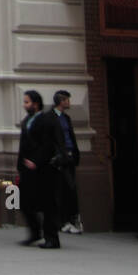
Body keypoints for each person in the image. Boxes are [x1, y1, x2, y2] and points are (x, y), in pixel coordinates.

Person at [17, 89, 64, 249]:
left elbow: (47, 145)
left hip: (44, 169)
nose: (25, 105)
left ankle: (52, 238)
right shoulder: (27, 120)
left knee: (47, 204)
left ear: (35, 104)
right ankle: (35, 232)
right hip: (27, 169)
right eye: (24, 102)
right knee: (23, 202)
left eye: (27, 102)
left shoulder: (45, 120)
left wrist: (36, 161)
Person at [53, 90, 82, 233]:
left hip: (69, 156)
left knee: (70, 188)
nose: (69, 102)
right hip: (59, 158)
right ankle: (63, 221)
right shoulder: (52, 117)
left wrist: (75, 154)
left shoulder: (66, 118)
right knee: (63, 189)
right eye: (67, 100)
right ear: (61, 101)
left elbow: (70, 136)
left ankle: (70, 220)